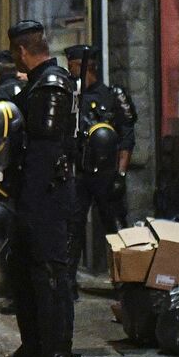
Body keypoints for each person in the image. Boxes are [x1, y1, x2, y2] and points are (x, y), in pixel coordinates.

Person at [7, 20, 79, 357]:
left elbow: (44, 152)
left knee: (50, 274)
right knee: (25, 272)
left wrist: (28, 203)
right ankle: (34, 344)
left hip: (46, 195)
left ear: (22, 51)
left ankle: (56, 354)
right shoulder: (36, 85)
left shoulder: (50, 86)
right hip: (32, 195)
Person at [62, 43, 136, 283]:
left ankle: (126, 281)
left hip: (106, 174)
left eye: (72, 64)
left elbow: (126, 137)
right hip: (81, 172)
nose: (69, 69)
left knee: (115, 227)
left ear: (83, 66)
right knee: (73, 227)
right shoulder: (73, 97)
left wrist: (121, 175)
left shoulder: (113, 96)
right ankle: (68, 282)